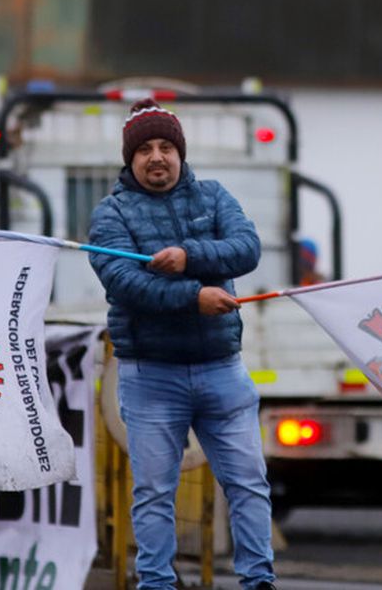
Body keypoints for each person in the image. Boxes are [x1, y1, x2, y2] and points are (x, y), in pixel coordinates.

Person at [88, 98, 277, 590]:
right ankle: (155, 584)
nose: (157, 156)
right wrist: (196, 296)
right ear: (129, 159)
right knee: (154, 492)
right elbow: (125, 284)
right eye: (145, 148)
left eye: (166, 146)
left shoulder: (215, 196)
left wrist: (187, 256)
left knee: (249, 485)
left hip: (223, 369)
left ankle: (260, 581)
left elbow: (247, 248)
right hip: (150, 376)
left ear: (180, 153)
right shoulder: (110, 215)